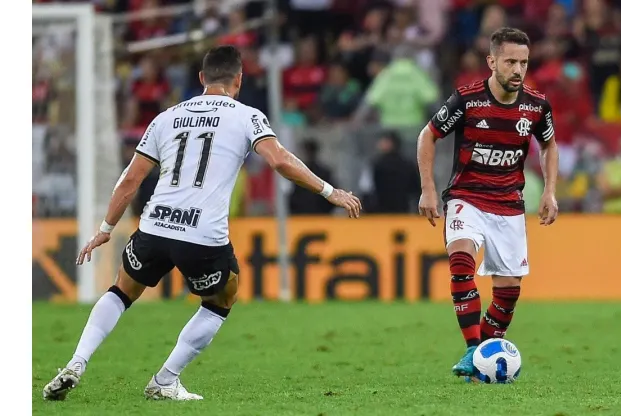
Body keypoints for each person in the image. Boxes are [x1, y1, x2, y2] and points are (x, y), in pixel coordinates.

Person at [42, 46, 362, 402]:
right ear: (238, 79)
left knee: (121, 291)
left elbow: (131, 179)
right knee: (222, 297)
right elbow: (279, 161)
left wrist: (105, 228)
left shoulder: (166, 117)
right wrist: (329, 191)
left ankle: (76, 362)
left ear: (200, 79)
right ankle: (165, 380)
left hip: (155, 226)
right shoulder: (247, 116)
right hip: (202, 235)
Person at [416, 28, 559, 380]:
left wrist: (550, 191)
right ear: (491, 61)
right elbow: (427, 135)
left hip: (509, 204)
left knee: (508, 290)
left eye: (523, 62)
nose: (517, 69)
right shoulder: (467, 100)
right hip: (467, 197)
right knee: (461, 258)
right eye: (510, 61)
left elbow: (550, 145)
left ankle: (482, 355)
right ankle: (471, 349)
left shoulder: (536, 106)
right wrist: (428, 189)